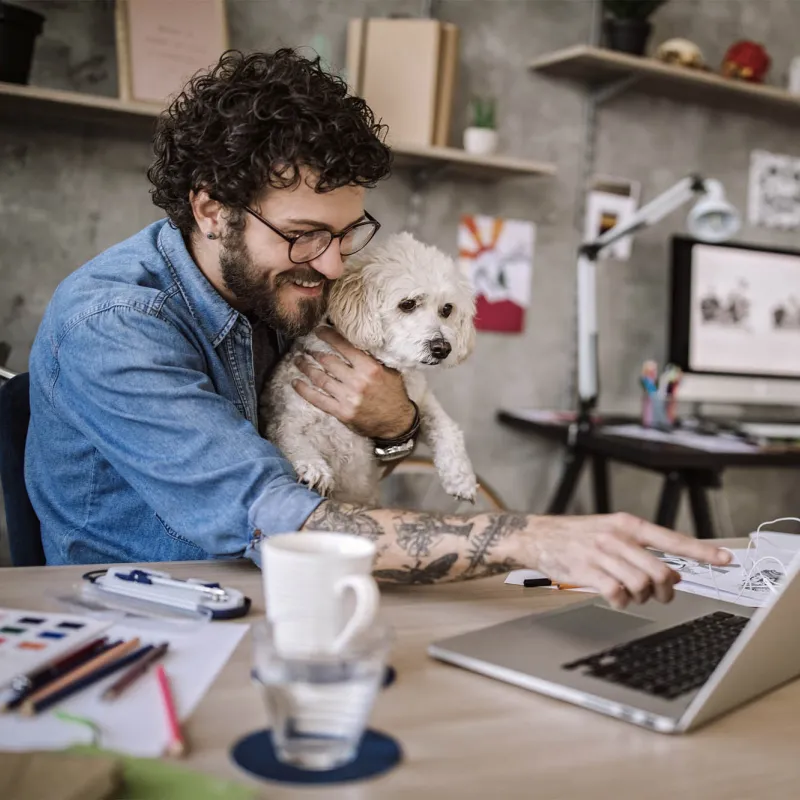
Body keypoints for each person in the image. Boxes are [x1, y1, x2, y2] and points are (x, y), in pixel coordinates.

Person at [25, 49, 730, 609]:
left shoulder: (274, 292)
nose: (331, 264)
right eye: (303, 234)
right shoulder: (116, 326)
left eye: (346, 233)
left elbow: (341, 471)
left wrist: (394, 424)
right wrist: (534, 538)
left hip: (281, 596)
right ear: (212, 210)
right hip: (150, 624)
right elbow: (279, 515)